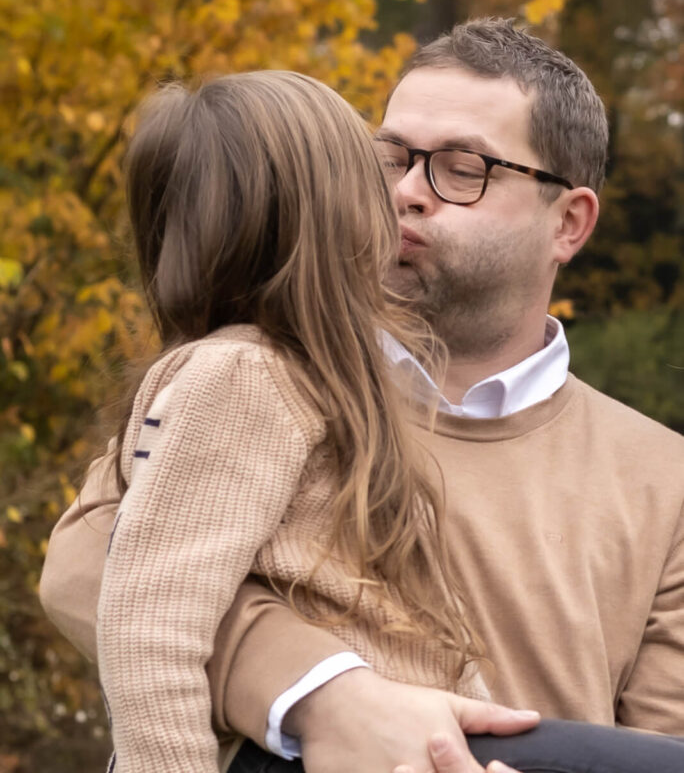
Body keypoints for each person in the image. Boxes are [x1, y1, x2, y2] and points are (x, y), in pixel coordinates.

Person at [40, 22, 684, 772]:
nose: (408, 192)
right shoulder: (277, 378)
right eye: (391, 158)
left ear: (568, 223)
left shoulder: (665, 478)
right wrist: (320, 695)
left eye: (461, 168)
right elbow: (92, 563)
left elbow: (657, 752)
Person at [72, 69, 534, 773]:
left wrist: (480, 717)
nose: (400, 201)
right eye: (374, 179)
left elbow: (407, 618)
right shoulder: (242, 378)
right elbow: (148, 622)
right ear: (327, 217)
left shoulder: (316, 382)